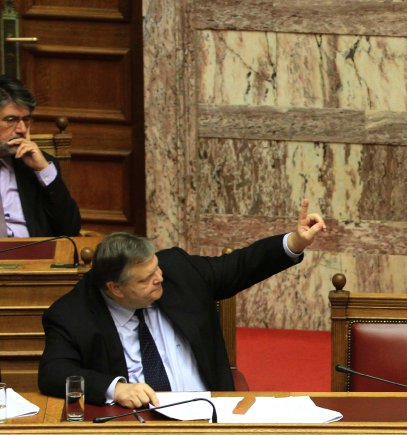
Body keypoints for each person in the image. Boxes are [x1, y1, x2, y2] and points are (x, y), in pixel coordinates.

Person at [38, 198, 325, 409]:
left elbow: (239, 266)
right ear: (115, 288)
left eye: (156, 268)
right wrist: (116, 389)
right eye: (146, 279)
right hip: (135, 431)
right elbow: (53, 373)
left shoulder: (178, 270)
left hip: (211, 416)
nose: (159, 278)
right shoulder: (72, 314)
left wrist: (295, 242)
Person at [0, 74, 80, 237]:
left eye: (26, 119)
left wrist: (43, 170)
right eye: (11, 119)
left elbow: (69, 230)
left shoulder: (39, 164)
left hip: (34, 258)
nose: (22, 129)